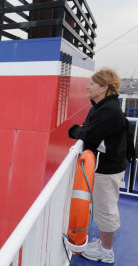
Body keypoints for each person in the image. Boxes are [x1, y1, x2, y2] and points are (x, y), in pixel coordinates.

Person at [68, 67, 126, 264]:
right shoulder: (105, 107)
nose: (88, 87)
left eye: (92, 84)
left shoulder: (108, 111)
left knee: (106, 209)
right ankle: (103, 245)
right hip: (108, 166)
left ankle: (106, 252)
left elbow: (90, 137)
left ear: (104, 88)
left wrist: (74, 130)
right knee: (103, 207)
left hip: (107, 169)